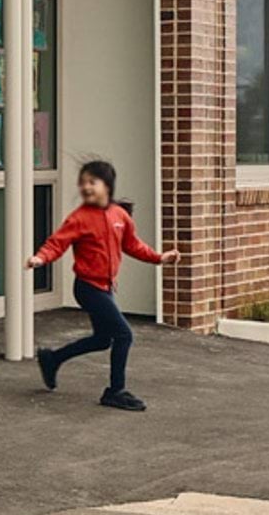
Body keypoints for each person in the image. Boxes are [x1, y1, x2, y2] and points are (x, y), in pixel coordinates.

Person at [27, 158, 180, 412]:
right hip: (88, 287)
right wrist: (40, 257)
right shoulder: (80, 218)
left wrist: (159, 258)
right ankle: (115, 391)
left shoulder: (119, 215)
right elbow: (57, 242)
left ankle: (52, 359)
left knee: (102, 339)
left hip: (106, 288)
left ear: (107, 186)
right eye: (83, 182)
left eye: (92, 182)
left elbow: (132, 244)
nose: (86, 187)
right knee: (124, 334)